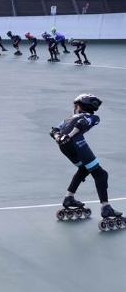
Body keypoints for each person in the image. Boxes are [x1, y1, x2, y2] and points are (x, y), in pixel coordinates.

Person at [49, 94, 121, 223]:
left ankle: (69, 198)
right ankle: (106, 207)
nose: (74, 108)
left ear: (80, 106)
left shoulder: (68, 118)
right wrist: (70, 136)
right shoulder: (94, 117)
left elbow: (54, 130)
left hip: (64, 147)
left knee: (83, 169)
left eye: (75, 105)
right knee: (101, 174)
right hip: (77, 144)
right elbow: (82, 123)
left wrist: (59, 137)